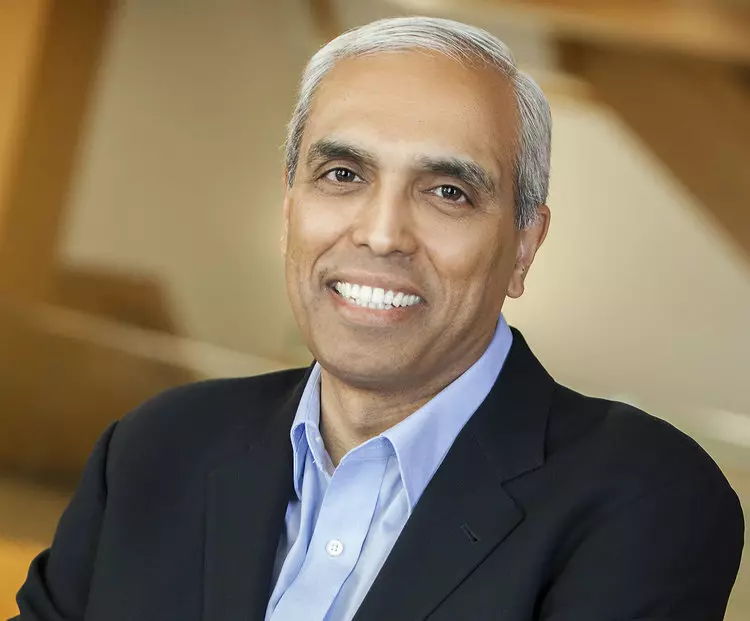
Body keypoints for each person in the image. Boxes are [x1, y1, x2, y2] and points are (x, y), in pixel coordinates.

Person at [13, 15, 744, 621]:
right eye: (343, 175)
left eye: (448, 192)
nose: (383, 233)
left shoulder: (645, 498)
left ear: (523, 245)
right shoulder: (157, 448)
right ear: (290, 212)